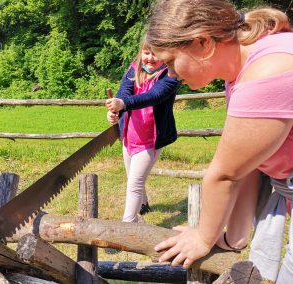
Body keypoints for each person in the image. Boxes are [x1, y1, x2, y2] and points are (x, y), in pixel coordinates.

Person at [146, 0, 293, 282]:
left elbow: (224, 174)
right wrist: (232, 239)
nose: (172, 74)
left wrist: (203, 237)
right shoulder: (245, 68)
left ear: (202, 42)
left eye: (170, 62)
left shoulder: (267, 71)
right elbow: (247, 166)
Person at [105, 34, 179, 224]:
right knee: (133, 176)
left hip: (150, 139)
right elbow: (124, 92)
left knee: (134, 184)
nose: (150, 58)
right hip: (129, 135)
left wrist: (123, 103)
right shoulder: (134, 68)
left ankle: (128, 225)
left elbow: (153, 96)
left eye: (156, 54)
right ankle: (143, 204)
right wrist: (116, 111)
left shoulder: (171, 75)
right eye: (146, 53)